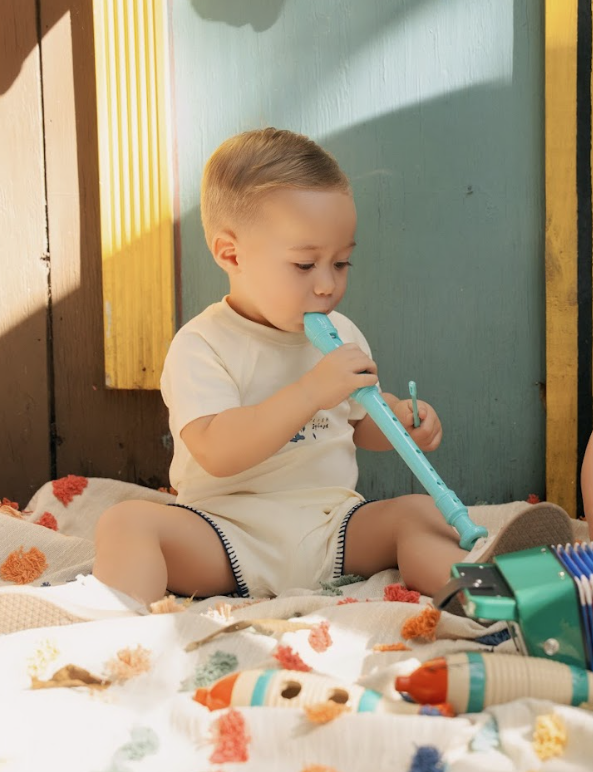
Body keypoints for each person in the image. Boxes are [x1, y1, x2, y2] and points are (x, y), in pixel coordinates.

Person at [1, 128, 573, 624]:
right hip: (226, 532)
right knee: (127, 522)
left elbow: (359, 423)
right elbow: (219, 452)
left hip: (333, 527)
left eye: (341, 262)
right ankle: (123, 620)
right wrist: (308, 391)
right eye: (304, 264)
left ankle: (481, 598)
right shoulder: (201, 345)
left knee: (417, 514)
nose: (327, 284)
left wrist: (401, 420)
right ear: (231, 254)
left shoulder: (340, 331)